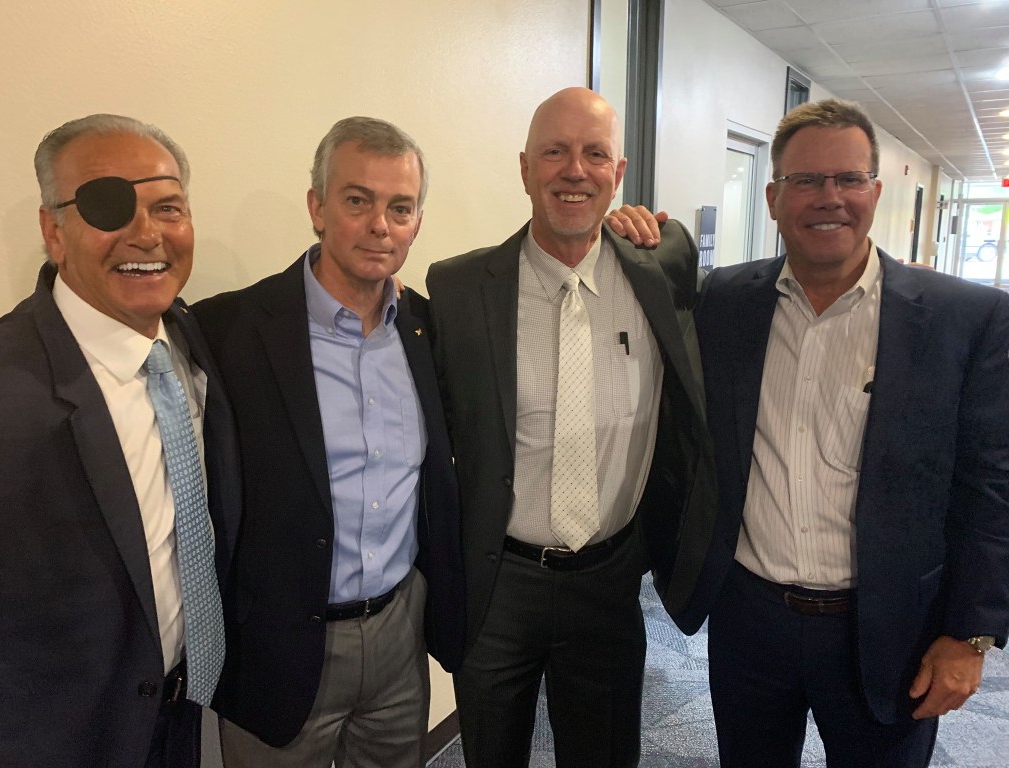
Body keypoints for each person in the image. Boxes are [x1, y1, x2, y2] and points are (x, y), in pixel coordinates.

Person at [621, 98, 1009, 767]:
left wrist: (972, 633)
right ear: (773, 198)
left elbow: (991, 487)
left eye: (848, 179)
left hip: (890, 628)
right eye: (805, 180)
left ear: (874, 193)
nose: (829, 197)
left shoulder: (965, 319)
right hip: (750, 620)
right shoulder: (725, 302)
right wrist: (625, 227)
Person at [426, 87, 716, 768]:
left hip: (611, 580)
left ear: (618, 174)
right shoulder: (459, 290)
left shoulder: (662, 268)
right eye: (554, 152)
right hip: (499, 586)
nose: (574, 170)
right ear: (525, 168)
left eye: (595, 154)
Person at [192, 117, 465, 768]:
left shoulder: (425, 329)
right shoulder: (228, 330)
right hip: (282, 646)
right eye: (357, 200)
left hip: (398, 636)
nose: (380, 226)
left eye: (400, 208)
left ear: (417, 223)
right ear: (317, 208)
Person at [0, 114, 241, 767]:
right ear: (54, 231)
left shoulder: (190, 337)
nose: (147, 233)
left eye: (168, 207)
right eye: (109, 206)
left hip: (184, 712)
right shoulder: (0, 398)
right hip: (66, 739)